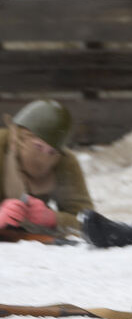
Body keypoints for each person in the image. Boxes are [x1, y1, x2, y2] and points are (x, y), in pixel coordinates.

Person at [0, 99, 93, 239]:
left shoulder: (64, 162)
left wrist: (53, 218)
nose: (43, 157)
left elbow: (88, 222)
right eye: (38, 146)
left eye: (51, 152)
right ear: (20, 138)